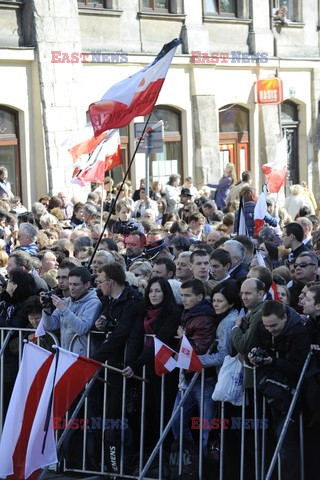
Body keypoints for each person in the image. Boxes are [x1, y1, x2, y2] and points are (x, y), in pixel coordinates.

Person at [249, 300, 311, 480]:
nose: (270, 329)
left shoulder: (299, 332)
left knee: (286, 443)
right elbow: (248, 353)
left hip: (291, 394)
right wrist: (252, 359)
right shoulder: (262, 326)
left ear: (285, 317)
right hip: (266, 390)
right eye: (267, 325)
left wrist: (273, 361)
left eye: (274, 325)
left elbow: (298, 369)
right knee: (268, 440)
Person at [91, 263, 143, 474]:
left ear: (111, 283)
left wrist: (93, 360)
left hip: (123, 368)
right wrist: (103, 320)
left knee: (116, 417)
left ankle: (118, 466)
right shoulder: (109, 300)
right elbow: (107, 320)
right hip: (108, 366)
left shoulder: (133, 302)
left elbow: (121, 335)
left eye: (100, 281)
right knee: (101, 414)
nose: (98, 285)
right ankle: (105, 463)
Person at [122, 277, 180, 449]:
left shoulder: (173, 312)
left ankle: (165, 451)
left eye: (158, 291)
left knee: (162, 409)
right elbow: (135, 336)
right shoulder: (144, 310)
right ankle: (147, 451)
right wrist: (130, 363)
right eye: (151, 291)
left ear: (165, 293)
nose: (153, 295)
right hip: (144, 366)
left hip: (164, 368)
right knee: (145, 410)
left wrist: (135, 365)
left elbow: (159, 341)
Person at [171, 278, 215, 457]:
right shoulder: (189, 313)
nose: (184, 299)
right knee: (176, 421)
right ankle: (188, 460)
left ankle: (201, 467)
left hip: (203, 380)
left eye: (188, 296)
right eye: (182, 295)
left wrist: (182, 337)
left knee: (205, 428)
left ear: (200, 296)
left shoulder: (203, 319)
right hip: (188, 377)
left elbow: (197, 351)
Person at [41, 266, 101, 355]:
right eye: (70, 284)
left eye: (75, 284)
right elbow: (49, 326)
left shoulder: (94, 303)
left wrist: (64, 310)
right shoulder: (67, 301)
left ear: (87, 285)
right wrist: (46, 308)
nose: (71, 288)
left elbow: (82, 328)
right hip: (65, 354)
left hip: (82, 357)